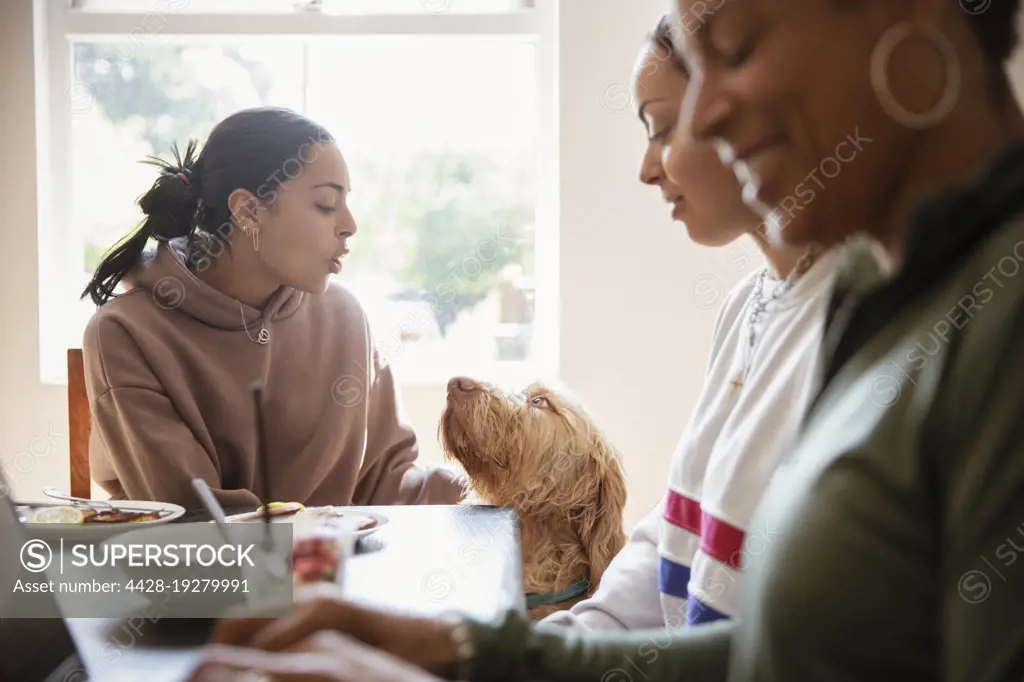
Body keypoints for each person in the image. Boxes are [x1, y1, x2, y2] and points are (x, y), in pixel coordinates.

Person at [188, 1, 1024, 680]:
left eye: (738, 50)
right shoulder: (878, 300)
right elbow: (780, 653)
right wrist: (472, 654)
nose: (707, 119)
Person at [540, 13, 837, 631]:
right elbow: (679, 529)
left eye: (662, 128)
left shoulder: (850, 316)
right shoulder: (746, 306)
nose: (650, 169)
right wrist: (573, 637)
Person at [81, 106, 464, 509]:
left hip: (337, 568)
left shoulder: (344, 315)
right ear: (248, 210)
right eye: (325, 204)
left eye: (346, 203)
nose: (350, 224)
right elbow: (196, 521)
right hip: (209, 570)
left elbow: (388, 484)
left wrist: (499, 484)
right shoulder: (126, 333)